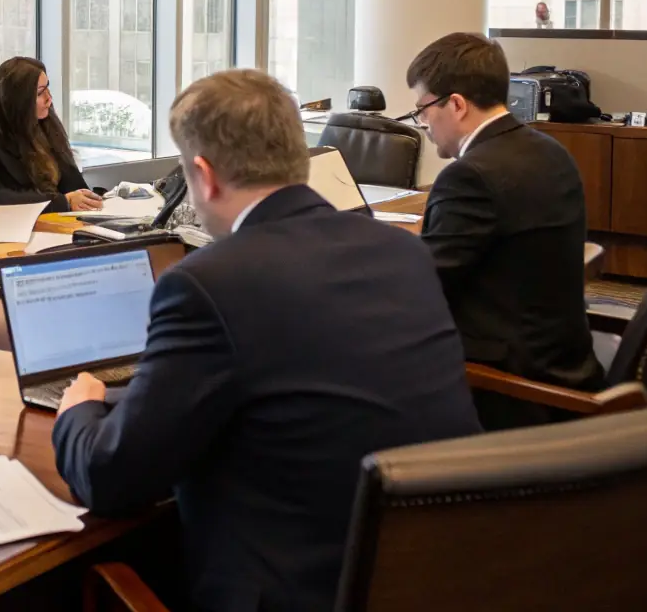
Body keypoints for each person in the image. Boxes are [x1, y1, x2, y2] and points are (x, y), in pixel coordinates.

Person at [52, 69, 479, 612]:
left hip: (293, 589)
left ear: (202, 175)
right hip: (432, 576)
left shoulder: (210, 283)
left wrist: (79, 413)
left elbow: (112, 479)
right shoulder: (402, 252)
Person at [406, 32, 603, 429]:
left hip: (512, 391)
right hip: (565, 360)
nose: (422, 124)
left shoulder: (470, 176)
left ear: (456, 104)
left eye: (422, 110)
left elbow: (423, 290)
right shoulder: (549, 150)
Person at [0, 57, 101, 214]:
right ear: (17, 100)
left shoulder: (45, 123)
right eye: (40, 93)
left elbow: (73, 184)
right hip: (12, 228)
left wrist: (90, 198)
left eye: (47, 89)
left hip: (58, 224)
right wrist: (62, 202)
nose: (49, 99)